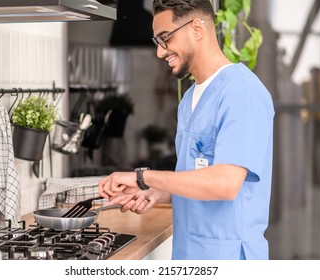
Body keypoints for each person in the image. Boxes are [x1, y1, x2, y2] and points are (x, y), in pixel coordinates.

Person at [98, 0, 275, 260]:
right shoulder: (189, 100)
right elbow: (198, 176)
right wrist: (158, 193)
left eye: (165, 38)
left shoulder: (242, 93)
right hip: (189, 255)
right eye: (158, 41)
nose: (160, 52)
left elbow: (225, 183)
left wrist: (143, 177)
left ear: (197, 28)